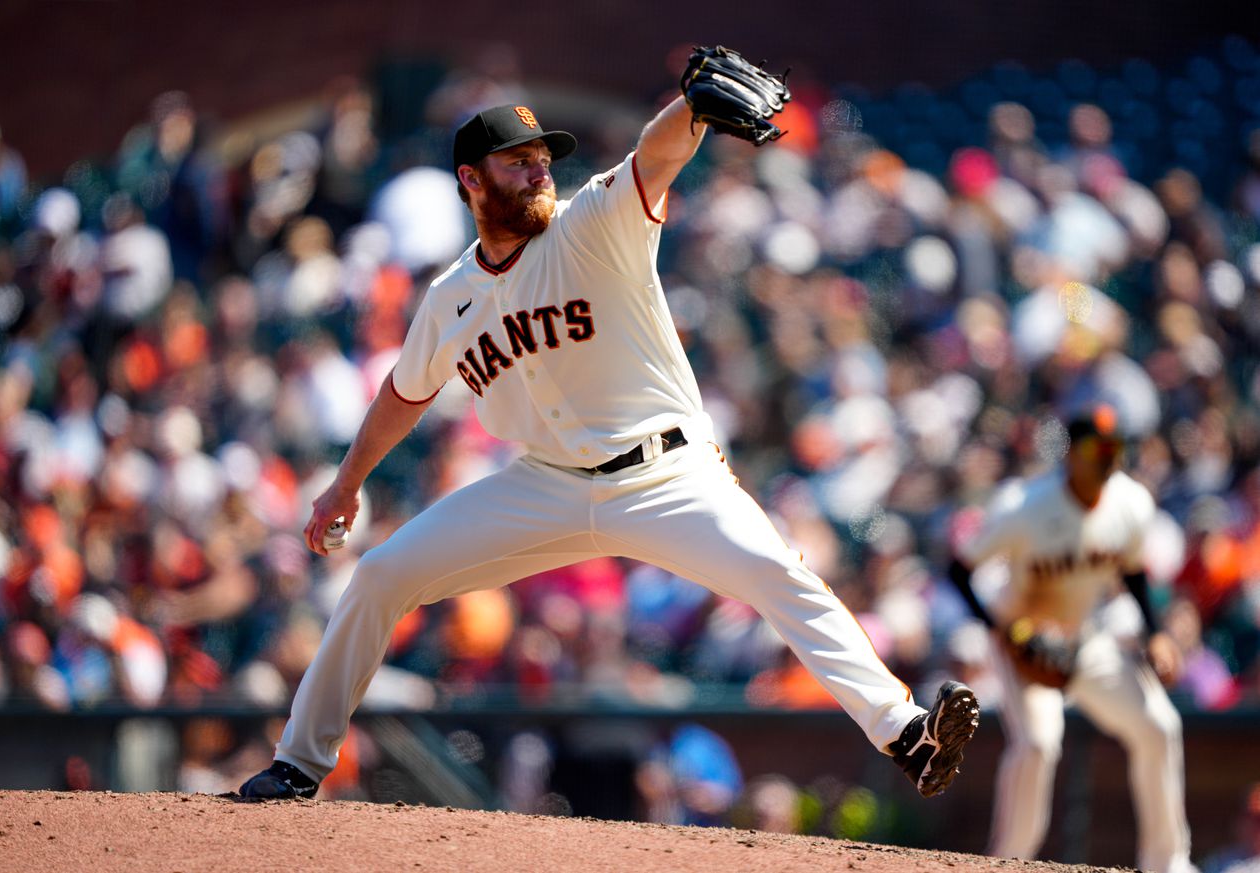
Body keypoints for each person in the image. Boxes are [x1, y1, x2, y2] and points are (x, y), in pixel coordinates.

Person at [239, 53, 979, 803]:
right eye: (518, 161)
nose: (538, 173)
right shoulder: (450, 297)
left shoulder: (592, 223)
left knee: (777, 574)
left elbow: (653, 159)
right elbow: (404, 394)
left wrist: (690, 110)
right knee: (379, 575)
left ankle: (906, 733)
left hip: (668, 474)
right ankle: (299, 761)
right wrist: (346, 483)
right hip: (545, 483)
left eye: (542, 160)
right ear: (471, 179)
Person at [948, 406, 1197, 873]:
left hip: (1086, 634)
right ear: (1070, 454)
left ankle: (1169, 862)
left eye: (1113, 449)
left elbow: (1135, 572)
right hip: (1022, 638)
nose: (1105, 459)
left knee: (1159, 726)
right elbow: (959, 570)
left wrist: (1157, 631)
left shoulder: (1131, 503)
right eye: (1093, 449)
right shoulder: (1024, 506)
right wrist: (1004, 631)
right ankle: (1007, 863)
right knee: (1040, 743)